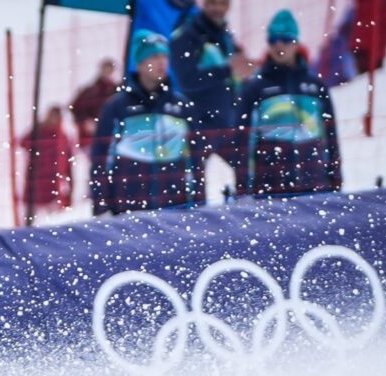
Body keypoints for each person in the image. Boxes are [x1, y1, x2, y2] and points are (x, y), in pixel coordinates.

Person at [90, 30, 203, 216]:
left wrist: (199, 203)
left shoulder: (182, 106)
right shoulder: (116, 107)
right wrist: (101, 207)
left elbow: (197, 158)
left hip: (176, 210)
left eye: (164, 56)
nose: (161, 62)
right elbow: (100, 160)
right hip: (128, 210)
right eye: (154, 56)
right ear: (139, 63)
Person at [236, 10, 343, 198]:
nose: (279, 45)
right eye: (273, 40)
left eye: (285, 39)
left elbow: (331, 135)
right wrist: (243, 187)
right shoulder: (254, 88)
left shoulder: (315, 86)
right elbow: (241, 142)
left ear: (295, 42)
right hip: (270, 187)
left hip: (314, 183)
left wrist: (335, 178)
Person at [170, 0, 253, 193]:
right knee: (192, 186)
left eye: (222, 3)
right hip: (199, 124)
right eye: (212, 3)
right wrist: (228, 70)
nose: (217, 8)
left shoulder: (226, 36)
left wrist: (248, 73)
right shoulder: (187, 34)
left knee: (249, 176)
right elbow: (185, 80)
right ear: (203, 4)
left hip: (229, 122)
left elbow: (234, 77)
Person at [21, 106, 74, 220]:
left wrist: (69, 190)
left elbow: (69, 164)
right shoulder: (38, 132)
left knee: (52, 222)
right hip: (35, 184)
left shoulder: (63, 137)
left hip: (53, 187)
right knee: (29, 221)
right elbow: (23, 143)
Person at [69, 58, 118, 153]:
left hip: (111, 137)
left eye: (109, 70)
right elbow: (75, 107)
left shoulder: (117, 92)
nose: (107, 72)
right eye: (105, 69)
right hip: (91, 139)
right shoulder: (90, 91)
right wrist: (85, 122)